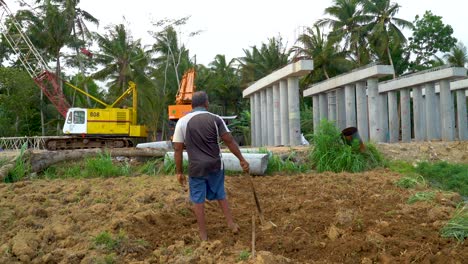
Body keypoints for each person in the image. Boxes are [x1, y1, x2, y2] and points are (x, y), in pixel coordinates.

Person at [172, 91, 250, 241]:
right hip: (215, 165)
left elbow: (177, 149)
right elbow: (229, 140)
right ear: (206, 103)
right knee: (220, 193)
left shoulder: (182, 121)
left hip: (196, 168)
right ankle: (231, 224)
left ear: (192, 105)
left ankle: (203, 234)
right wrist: (241, 159)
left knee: (198, 199)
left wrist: (179, 172)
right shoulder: (216, 119)